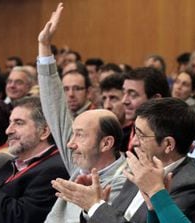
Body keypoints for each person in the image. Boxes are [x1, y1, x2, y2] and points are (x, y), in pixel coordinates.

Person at [52, 98, 195, 223]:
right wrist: (94, 208)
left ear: (168, 144)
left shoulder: (190, 186)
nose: (133, 141)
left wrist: (95, 206)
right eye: (134, 133)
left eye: (141, 135)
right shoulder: (140, 168)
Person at [37, 4, 127, 222]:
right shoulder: (82, 162)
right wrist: (44, 47)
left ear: (106, 143)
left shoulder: (125, 180)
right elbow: (55, 109)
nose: (70, 143)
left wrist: (92, 205)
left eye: (80, 135)